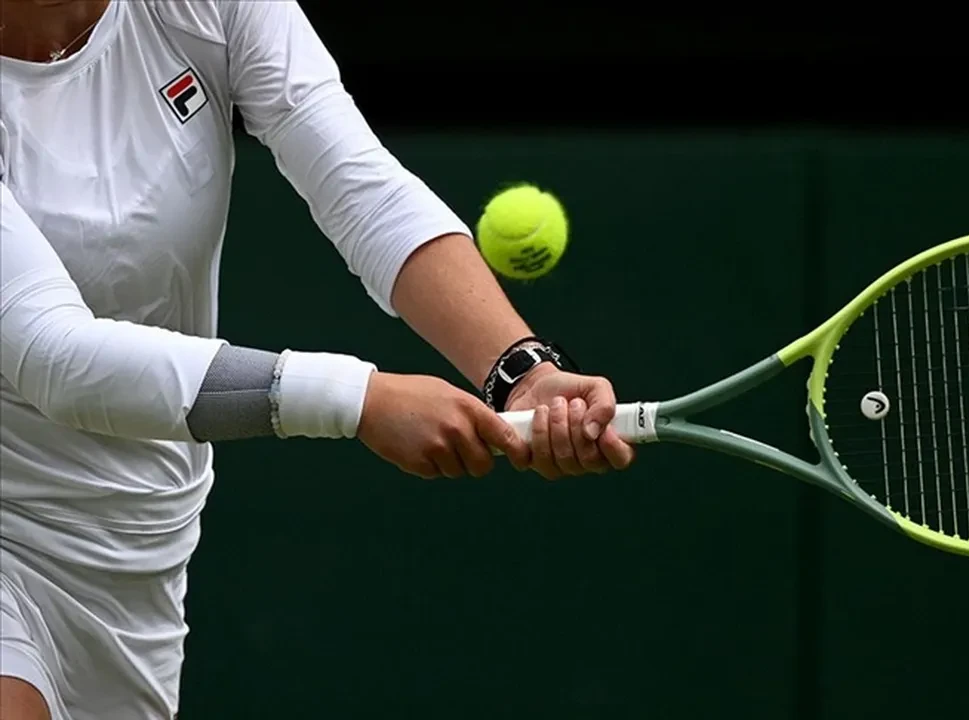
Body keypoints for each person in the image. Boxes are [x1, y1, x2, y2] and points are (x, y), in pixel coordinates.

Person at [0, 1, 634, 717]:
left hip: (138, 543)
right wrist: (355, 399)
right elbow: (52, 353)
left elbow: (361, 188)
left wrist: (525, 373)